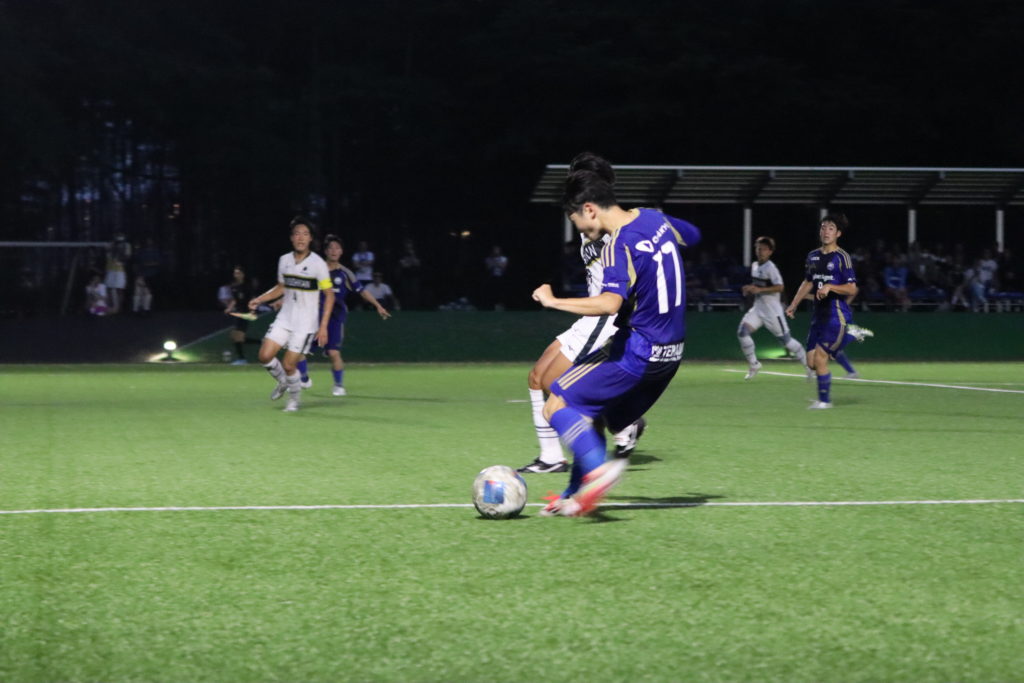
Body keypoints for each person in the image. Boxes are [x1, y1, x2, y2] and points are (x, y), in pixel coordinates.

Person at [531, 154, 701, 517]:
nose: (579, 229)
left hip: (638, 351)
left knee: (555, 404)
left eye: (576, 220)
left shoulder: (616, 245)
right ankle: (574, 495)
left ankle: (597, 471)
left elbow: (610, 303)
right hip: (671, 355)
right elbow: (693, 235)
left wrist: (553, 300)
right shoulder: (653, 218)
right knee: (590, 413)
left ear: (590, 209)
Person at [517, 153, 647, 475]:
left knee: (555, 383)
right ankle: (552, 457)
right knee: (536, 377)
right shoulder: (586, 217)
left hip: (606, 318)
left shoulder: (610, 225)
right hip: (591, 316)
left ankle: (621, 421)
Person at [248, 217, 335, 412]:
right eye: (297, 234)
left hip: (305, 324)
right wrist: (260, 299)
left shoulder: (318, 264)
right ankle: (283, 382)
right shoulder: (284, 260)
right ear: (291, 238)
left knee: (289, 365)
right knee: (264, 355)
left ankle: (294, 400)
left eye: (305, 234)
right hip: (285, 318)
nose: (300, 238)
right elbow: (281, 287)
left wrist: (323, 326)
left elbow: (329, 296)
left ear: (310, 238)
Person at [296, 235, 391, 396]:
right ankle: (303, 378)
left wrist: (378, 305)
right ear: (326, 251)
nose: (334, 251)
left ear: (341, 252)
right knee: (298, 350)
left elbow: (362, 291)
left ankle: (338, 385)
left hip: (335, 318)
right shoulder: (316, 269)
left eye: (337, 248)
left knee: (333, 352)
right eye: (331, 248)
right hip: (314, 316)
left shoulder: (346, 273)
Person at [784, 213, 859, 409]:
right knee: (811, 363)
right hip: (819, 316)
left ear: (838, 233)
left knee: (820, 358)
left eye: (831, 228)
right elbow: (808, 282)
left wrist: (830, 287)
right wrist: (794, 304)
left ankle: (824, 402)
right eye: (823, 227)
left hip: (836, 314)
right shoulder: (813, 256)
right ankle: (850, 335)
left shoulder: (842, 257)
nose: (826, 231)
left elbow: (852, 289)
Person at [737, 236, 810, 380]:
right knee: (742, 332)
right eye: (758, 248)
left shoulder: (771, 268)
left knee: (786, 341)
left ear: (770, 252)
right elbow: (759, 285)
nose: (760, 251)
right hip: (758, 309)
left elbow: (780, 287)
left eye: (764, 249)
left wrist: (759, 290)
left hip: (772, 312)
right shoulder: (755, 266)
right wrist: (750, 288)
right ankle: (754, 365)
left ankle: (809, 366)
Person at [222, 265, 252, 365]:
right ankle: (261, 342)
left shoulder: (247, 286)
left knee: (238, 336)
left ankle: (242, 359)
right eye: (235, 273)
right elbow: (235, 300)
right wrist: (229, 308)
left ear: (243, 274)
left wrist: (252, 310)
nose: (236, 275)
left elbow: (252, 299)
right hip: (237, 313)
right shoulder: (234, 286)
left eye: (238, 273)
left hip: (245, 314)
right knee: (235, 336)